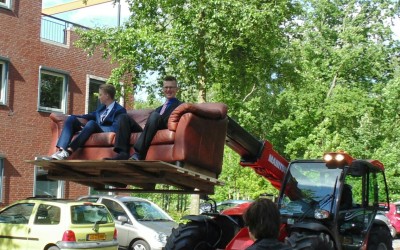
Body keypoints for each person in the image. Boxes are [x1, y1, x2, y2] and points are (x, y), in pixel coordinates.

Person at [105, 75, 182, 160]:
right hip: (149, 131)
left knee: (155, 115)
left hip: (162, 127)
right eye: (166, 87)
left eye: (171, 87)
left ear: (176, 89)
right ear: (163, 89)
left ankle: (139, 153)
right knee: (124, 117)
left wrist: (154, 117)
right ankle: (122, 153)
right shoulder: (159, 108)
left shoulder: (180, 106)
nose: (168, 90)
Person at [48, 83, 126, 160]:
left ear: (107, 95)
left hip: (103, 130)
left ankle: (69, 150)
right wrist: (72, 116)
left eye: (100, 94)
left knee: (91, 123)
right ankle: (61, 150)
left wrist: (96, 126)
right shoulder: (101, 108)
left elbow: (116, 128)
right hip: (92, 128)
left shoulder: (119, 110)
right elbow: (89, 115)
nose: (99, 97)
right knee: (71, 119)